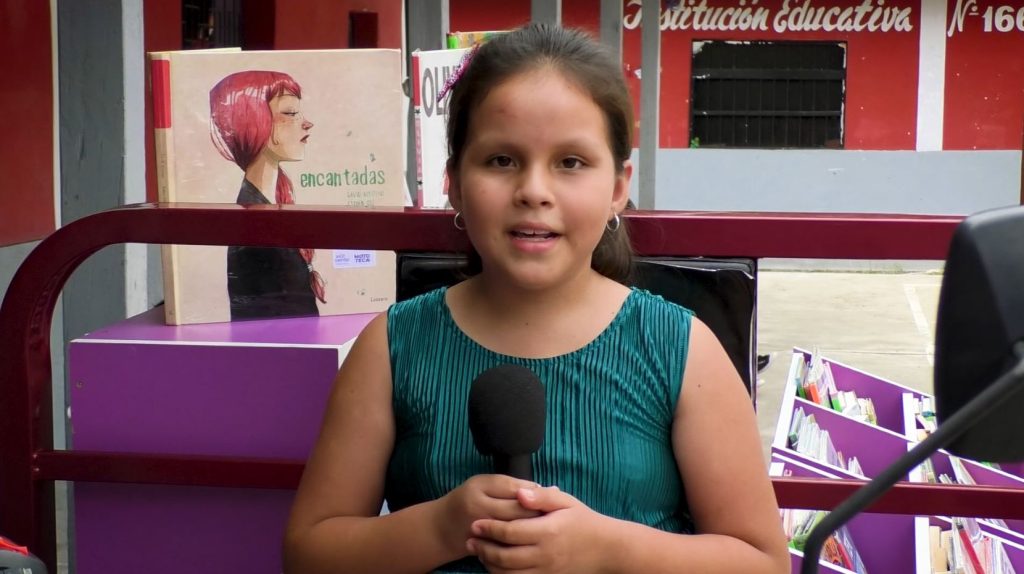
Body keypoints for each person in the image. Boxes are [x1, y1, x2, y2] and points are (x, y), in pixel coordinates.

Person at [284, 23, 789, 574]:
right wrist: (440, 528)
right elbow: (309, 553)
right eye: (501, 160)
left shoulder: (681, 351)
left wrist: (608, 549)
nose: (533, 191)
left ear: (618, 186)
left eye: (570, 162)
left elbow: (763, 562)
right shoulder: (392, 347)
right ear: (454, 181)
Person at [209, 70, 325, 321]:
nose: (307, 123)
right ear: (254, 122)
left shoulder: (269, 204)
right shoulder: (254, 225)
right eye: (291, 113)